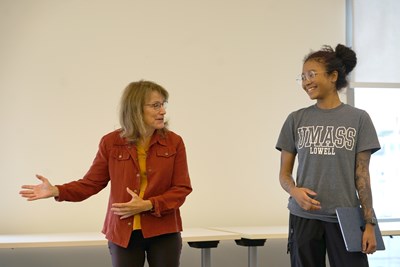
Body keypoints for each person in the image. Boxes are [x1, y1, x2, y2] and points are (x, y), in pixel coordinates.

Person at [20, 80, 192, 267]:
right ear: (135, 108)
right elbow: (91, 183)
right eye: (156, 105)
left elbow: (181, 188)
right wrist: (57, 191)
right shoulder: (111, 142)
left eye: (163, 104)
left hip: (163, 230)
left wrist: (149, 205)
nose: (163, 111)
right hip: (123, 232)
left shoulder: (174, 142)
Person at [275, 44, 380, 267]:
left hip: (347, 219)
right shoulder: (295, 119)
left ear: (333, 76)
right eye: (302, 77)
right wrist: (294, 191)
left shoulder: (359, 119)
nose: (306, 82)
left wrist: (369, 223)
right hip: (304, 217)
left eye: (311, 74)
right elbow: (284, 175)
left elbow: (362, 176)